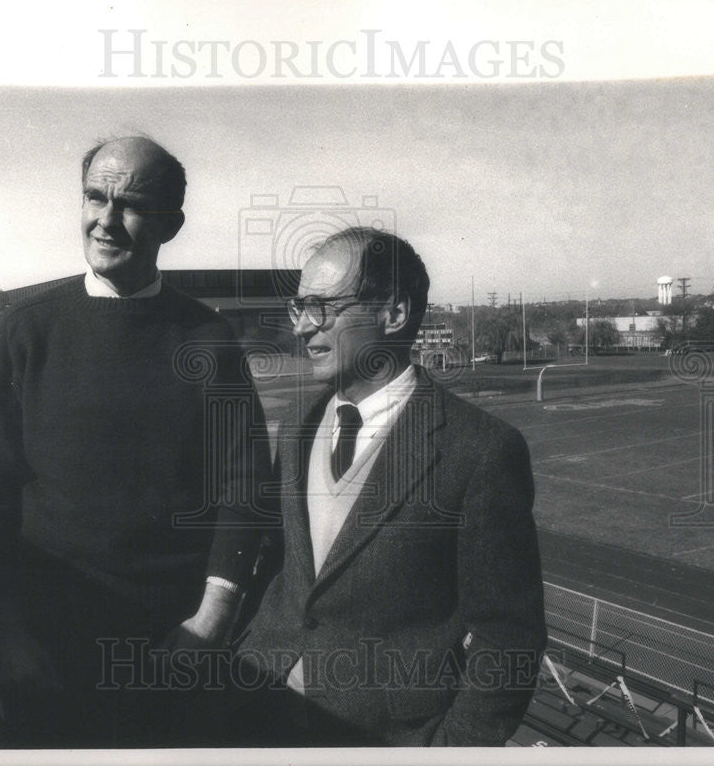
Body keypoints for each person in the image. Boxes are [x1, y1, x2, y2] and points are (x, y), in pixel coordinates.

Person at [0, 136, 273, 747]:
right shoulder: (26, 332)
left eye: (131, 205)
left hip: (176, 642)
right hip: (48, 645)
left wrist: (213, 616)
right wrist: (7, 631)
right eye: (95, 196)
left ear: (171, 224)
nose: (105, 219)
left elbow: (243, 484)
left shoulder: (208, 338)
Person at [232, 227, 547, 746]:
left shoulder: (481, 450)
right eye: (298, 308)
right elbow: (280, 561)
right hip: (260, 707)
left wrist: (449, 751)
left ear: (394, 313)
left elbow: (509, 637)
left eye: (322, 307)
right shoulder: (297, 424)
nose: (304, 327)